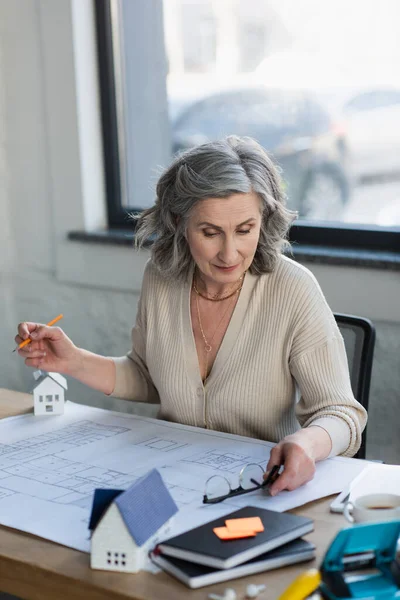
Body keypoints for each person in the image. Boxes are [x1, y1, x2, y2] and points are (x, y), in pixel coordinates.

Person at [15, 136, 367, 496]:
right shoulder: (162, 276)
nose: (230, 253)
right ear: (179, 222)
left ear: (264, 219)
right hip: (171, 481)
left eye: (245, 230)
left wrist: (307, 443)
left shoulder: (293, 288)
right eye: (210, 232)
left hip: (261, 487)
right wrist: (73, 361)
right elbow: (150, 377)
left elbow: (341, 413)